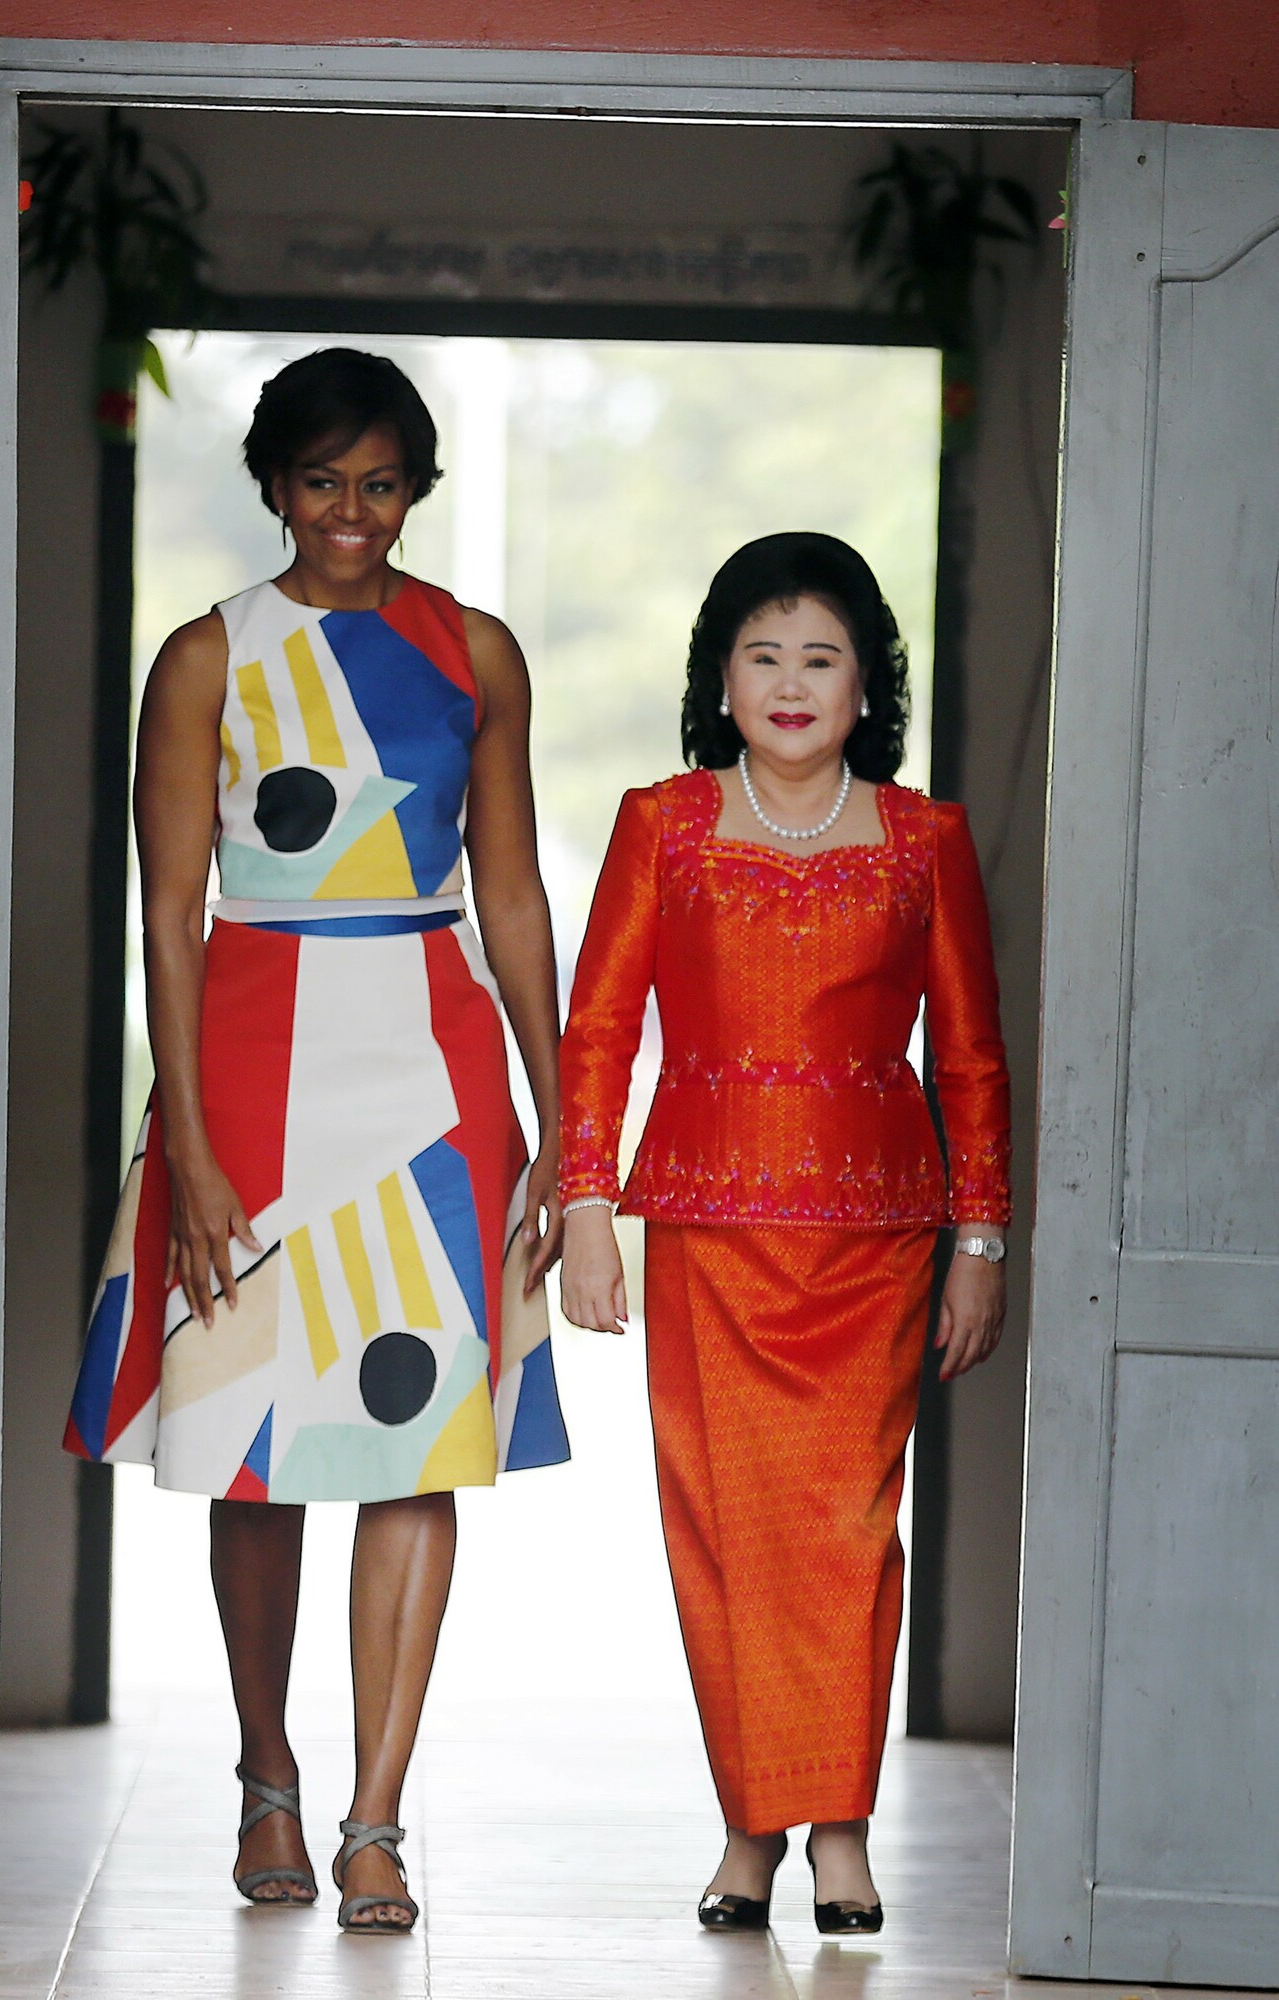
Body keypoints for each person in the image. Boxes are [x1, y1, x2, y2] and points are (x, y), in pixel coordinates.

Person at [64, 347, 569, 1933]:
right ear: (276, 486)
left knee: (416, 1446)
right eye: (323, 480)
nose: (352, 510)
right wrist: (192, 1145)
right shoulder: (205, 657)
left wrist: (564, 1121)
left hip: (433, 1071)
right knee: (260, 1444)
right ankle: (267, 1776)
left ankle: (375, 1822)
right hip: (251, 1064)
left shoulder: (473, 651)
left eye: (382, 483)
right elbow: (168, 914)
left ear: (416, 491)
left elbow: (512, 893)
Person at [558, 532, 1009, 1934]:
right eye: (764, 656)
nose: (793, 683)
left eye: (822, 657)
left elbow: (972, 1058)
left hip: (875, 1244)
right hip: (705, 1231)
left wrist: (982, 1242)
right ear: (723, 679)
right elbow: (597, 1027)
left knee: (847, 1537)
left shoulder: (926, 840)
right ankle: (751, 1831)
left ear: (869, 686)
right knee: (725, 1536)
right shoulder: (663, 824)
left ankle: (843, 1834)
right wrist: (586, 1207)